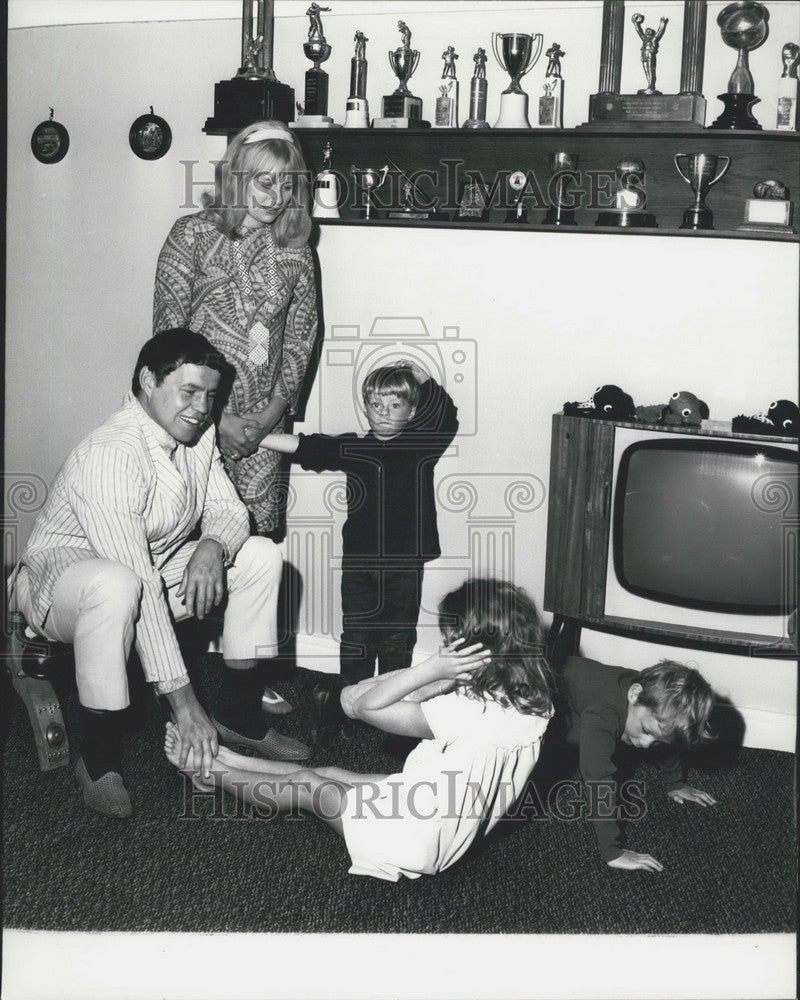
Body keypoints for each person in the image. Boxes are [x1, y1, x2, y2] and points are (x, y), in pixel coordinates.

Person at [8, 330, 310, 819]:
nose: (200, 407)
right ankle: (98, 757)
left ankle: (240, 716)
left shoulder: (197, 432)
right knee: (116, 585)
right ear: (148, 381)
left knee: (258, 556)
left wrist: (212, 546)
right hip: (60, 584)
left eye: (210, 396)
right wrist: (185, 707)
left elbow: (230, 512)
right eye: (188, 392)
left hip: (144, 569)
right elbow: (137, 581)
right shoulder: (111, 452)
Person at [164, 578, 554, 881]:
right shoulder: (537, 703)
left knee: (308, 784)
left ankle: (209, 771)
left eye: (449, 645)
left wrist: (431, 669)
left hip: (413, 838)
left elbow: (364, 705)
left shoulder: (461, 712)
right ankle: (228, 756)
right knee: (333, 774)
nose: (443, 651)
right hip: (447, 816)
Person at [154, 121, 318, 710]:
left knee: (255, 544)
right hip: (193, 421)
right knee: (189, 541)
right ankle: (177, 671)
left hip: (264, 429)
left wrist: (270, 415)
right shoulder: (191, 235)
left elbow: (301, 337)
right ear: (236, 177)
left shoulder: (297, 249)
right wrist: (216, 422)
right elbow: (167, 336)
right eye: (262, 180)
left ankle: (243, 677)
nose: (275, 195)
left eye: (286, 182)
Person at [258, 360, 458, 696]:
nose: (383, 413)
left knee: (397, 638)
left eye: (395, 406)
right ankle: (352, 701)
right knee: (356, 636)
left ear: (411, 412)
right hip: (359, 564)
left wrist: (422, 377)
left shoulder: (420, 445)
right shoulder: (356, 447)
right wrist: (258, 437)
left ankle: (392, 700)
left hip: (403, 564)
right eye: (376, 405)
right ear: (365, 407)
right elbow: (309, 446)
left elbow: (446, 414)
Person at [538, 656, 717, 871]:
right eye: (646, 731)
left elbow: (665, 742)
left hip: (571, 690)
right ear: (633, 695)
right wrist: (612, 851)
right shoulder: (605, 713)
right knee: (557, 739)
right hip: (533, 683)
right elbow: (599, 779)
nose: (645, 744)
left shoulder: (646, 696)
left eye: (656, 740)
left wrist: (675, 782)